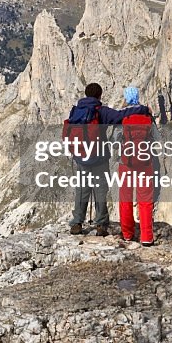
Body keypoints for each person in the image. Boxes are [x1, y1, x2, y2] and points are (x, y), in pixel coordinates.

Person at [66, 82, 151, 236]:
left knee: (82, 190)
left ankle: (77, 223)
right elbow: (121, 116)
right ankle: (101, 225)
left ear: (86, 94)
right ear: (100, 96)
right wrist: (142, 109)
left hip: (80, 157)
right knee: (100, 189)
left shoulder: (75, 111)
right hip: (99, 157)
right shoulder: (101, 111)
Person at [117, 86, 156, 246]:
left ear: (126, 98)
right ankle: (146, 237)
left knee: (125, 198)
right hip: (145, 163)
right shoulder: (147, 116)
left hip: (126, 163)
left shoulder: (123, 118)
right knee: (145, 200)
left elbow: (114, 140)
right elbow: (157, 140)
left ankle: (127, 234)